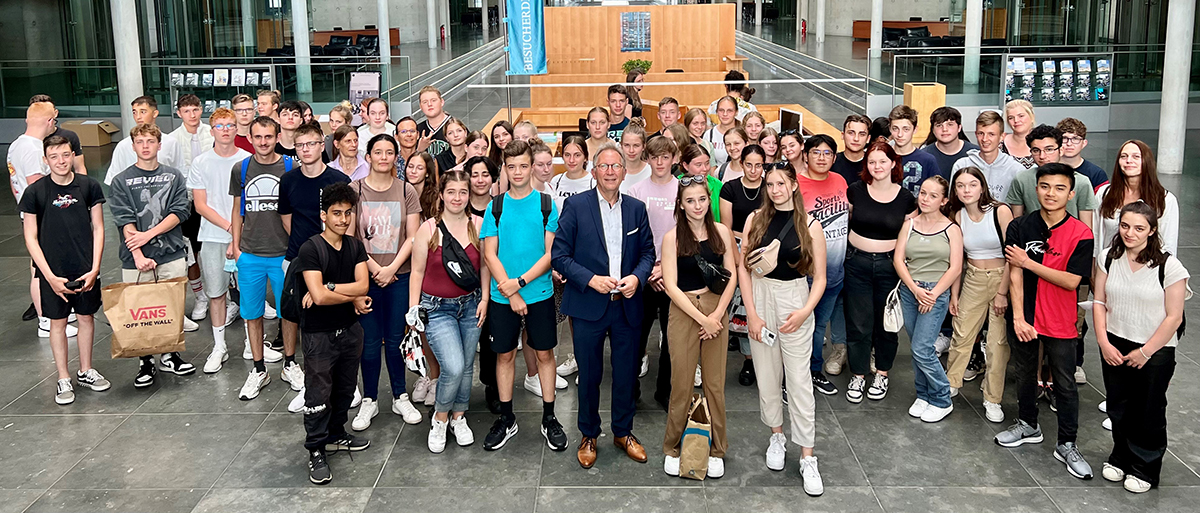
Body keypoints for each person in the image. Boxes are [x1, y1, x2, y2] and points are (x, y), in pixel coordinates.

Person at [552, 142, 656, 469]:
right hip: (588, 305)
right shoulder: (576, 207)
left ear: (625, 172)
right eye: (604, 166)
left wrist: (638, 279)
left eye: (616, 166)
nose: (610, 172)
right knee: (591, 375)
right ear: (594, 171)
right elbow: (559, 255)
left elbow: (647, 254)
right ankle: (588, 434)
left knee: (625, 374)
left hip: (626, 304)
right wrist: (590, 279)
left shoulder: (638, 209)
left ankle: (623, 432)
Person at [995, 163, 1095, 481]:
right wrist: (1019, 318)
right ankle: (1027, 425)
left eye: (1059, 188)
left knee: (1065, 384)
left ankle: (1067, 444)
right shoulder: (1020, 226)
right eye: (1045, 186)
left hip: (1061, 320)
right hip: (1025, 317)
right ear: (1036, 188)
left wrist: (1028, 262)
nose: (1051, 193)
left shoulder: (1082, 233)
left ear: (1071, 192)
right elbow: (1014, 274)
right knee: (1025, 374)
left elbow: (1071, 280)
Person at [737, 163, 826, 496]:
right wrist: (753, 315)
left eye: (780, 183)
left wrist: (804, 311)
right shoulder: (754, 220)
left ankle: (807, 455)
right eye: (769, 183)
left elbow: (820, 278)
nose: (774, 189)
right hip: (760, 296)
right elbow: (743, 269)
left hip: (794, 301)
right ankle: (777, 435)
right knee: (767, 373)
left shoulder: (810, 226)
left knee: (800, 380)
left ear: (793, 186)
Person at [1092, 201, 1190, 493]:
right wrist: (1103, 342)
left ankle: (1145, 468)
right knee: (1118, 405)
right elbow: (1099, 302)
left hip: (1154, 348)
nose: (1130, 233)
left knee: (1148, 409)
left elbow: (1175, 317)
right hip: (1115, 341)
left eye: (1138, 228)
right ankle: (1120, 457)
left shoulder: (1169, 266)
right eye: (1124, 226)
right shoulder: (1108, 257)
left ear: (1152, 230)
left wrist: (1146, 351)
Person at [481, 140, 569, 452]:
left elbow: (550, 254)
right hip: (502, 296)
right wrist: (507, 287)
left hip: (538, 293)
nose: (517, 172)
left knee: (544, 354)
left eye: (523, 166)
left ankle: (549, 416)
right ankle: (506, 417)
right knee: (504, 355)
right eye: (511, 166)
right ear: (504, 168)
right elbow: (490, 253)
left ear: (532, 167)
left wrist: (519, 283)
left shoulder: (546, 204)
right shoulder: (496, 206)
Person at [21, 134, 109, 405]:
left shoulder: (88, 186)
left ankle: (86, 370)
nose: (61, 161)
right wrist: (48, 276)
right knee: (57, 324)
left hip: (84, 268)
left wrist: (94, 268)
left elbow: (98, 228)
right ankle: (63, 378)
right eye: (54, 156)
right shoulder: (35, 192)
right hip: (52, 271)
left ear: (73, 155)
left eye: (65, 155)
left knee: (86, 318)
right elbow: (30, 237)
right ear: (46, 160)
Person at [660, 173, 737, 479]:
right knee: (681, 383)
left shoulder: (721, 232)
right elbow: (670, 285)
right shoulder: (672, 238)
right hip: (685, 312)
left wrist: (716, 315)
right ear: (680, 204)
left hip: (716, 309)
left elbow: (731, 276)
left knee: (715, 384)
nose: (697, 206)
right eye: (690, 201)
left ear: (709, 200)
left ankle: (717, 448)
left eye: (702, 199)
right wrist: (702, 318)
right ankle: (672, 446)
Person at [296, 182, 373, 485]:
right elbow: (320, 298)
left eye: (347, 213)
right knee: (318, 393)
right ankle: (316, 447)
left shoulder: (354, 246)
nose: (342, 219)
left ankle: (336, 434)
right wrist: (343, 294)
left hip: (350, 330)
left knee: (344, 389)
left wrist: (328, 288)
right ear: (323, 215)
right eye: (336, 213)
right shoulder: (310, 249)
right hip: (318, 334)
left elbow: (363, 287)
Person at [109, 123, 196, 387]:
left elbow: (181, 210)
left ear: (159, 145)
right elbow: (123, 218)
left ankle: (170, 354)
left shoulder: (173, 176)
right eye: (140, 142)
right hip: (135, 257)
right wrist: (137, 253)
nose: (145, 146)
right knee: (140, 310)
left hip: (170, 252)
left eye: (150, 141)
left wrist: (148, 235)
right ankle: (145, 359)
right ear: (133, 146)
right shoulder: (121, 180)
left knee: (171, 306)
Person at [410, 170, 489, 453]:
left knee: (467, 366)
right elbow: (417, 271)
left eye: (463, 192)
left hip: (471, 304)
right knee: (453, 366)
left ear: (470, 195)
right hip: (436, 307)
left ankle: (459, 416)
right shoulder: (428, 229)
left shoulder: (479, 226)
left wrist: (485, 299)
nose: (457, 197)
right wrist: (413, 309)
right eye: (452, 192)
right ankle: (440, 418)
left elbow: (485, 266)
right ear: (442, 195)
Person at [348, 134, 424, 430]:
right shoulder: (355, 190)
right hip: (364, 278)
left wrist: (391, 267)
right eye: (377, 152)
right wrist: (373, 268)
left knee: (394, 340)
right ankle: (369, 399)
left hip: (399, 276)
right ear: (368, 157)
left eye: (389, 152)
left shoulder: (406, 190)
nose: (383, 157)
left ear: (396, 158)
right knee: (368, 343)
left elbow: (413, 236)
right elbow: (351, 236)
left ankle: (399, 394)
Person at [278, 124, 353, 389]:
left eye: (311, 144)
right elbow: (287, 218)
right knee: (290, 311)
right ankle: (289, 362)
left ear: (322, 146)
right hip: (298, 256)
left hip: (331, 258)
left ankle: (339, 369)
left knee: (332, 311)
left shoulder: (338, 180)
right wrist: (306, 248)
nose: (305, 150)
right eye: (300, 145)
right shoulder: (289, 180)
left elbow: (346, 221)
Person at [843, 142, 917, 403]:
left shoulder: (907, 198)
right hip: (857, 264)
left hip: (890, 267)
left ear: (894, 164)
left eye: (883, 161)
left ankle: (882, 373)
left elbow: (911, 236)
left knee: (887, 324)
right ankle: (859, 374)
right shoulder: (855, 191)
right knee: (858, 322)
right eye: (872, 162)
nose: (877, 167)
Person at [229, 117, 293, 399]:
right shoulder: (240, 168)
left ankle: (290, 363)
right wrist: (237, 247)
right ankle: (258, 368)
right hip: (251, 253)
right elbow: (236, 209)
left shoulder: (290, 167)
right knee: (252, 314)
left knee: (288, 313)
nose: (263, 142)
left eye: (268, 136)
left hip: (283, 253)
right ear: (251, 138)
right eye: (258, 137)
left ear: (277, 136)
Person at [946, 167, 1013, 422]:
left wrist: (1003, 293)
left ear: (982, 187)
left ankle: (992, 397)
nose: (966, 190)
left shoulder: (1000, 211)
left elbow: (1012, 256)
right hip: (973, 278)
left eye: (972, 185)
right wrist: (955, 294)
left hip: (1000, 278)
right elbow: (958, 260)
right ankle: (951, 382)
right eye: (961, 186)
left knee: (997, 343)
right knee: (962, 332)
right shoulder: (958, 216)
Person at [894, 176, 963, 423]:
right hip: (911, 291)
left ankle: (942, 398)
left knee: (923, 349)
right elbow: (898, 260)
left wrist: (932, 295)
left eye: (933, 195)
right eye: (923, 193)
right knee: (916, 347)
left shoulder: (951, 228)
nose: (925, 199)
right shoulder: (909, 224)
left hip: (936, 292)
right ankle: (923, 395)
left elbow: (955, 267)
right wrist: (914, 289)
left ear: (943, 201)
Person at [188, 108, 250, 374]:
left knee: (249, 292)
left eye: (230, 125)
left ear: (237, 129)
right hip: (213, 237)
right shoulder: (201, 162)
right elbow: (200, 205)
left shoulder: (248, 159)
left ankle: (252, 341)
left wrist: (237, 235)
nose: (225, 129)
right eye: (220, 125)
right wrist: (229, 229)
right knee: (216, 294)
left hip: (248, 237)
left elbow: (251, 203)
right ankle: (219, 346)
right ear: (211, 130)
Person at [628, 136, 682, 409]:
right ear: (647, 159)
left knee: (672, 338)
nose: (660, 162)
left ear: (674, 159)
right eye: (654, 157)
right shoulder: (636, 191)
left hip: (672, 275)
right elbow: (632, 237)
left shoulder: (682, 190)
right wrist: (649, 270)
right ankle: (631, 391)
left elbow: (687, 234)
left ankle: (665, 390)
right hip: (643, 275)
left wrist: (665, 269)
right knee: (636, 337)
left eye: (665, 157)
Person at [796, 134, 851, 396]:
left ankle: (812, 370)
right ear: (805, 155)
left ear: (834, 158)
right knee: (807, 325)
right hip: (806, 273)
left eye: (827, 153)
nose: (821, 157)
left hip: (835, 272)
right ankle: (802, 374)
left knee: (820, 325)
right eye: (816, 152)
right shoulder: (795, 184)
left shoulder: (839, 180)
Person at [8, 101, 66, 338]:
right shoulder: (32, 150)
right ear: (49, 121)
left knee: (40, 265)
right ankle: (46, 319)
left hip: (31, 215)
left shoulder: (16, 145)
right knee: (40, 268)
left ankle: (53, 315)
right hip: (42, 217)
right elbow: (37, 186)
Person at [719, 145, 767, 381]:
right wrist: (738, 259)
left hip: (764, 250)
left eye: (759, 165)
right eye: (749, 164)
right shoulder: (731, 188)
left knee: (755, 304)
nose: (754, 170)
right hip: (735, 246)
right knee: (734, 302)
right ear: (742, 162)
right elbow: (725, 227)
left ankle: (755, 358)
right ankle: (742, 355)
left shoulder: (770, 187)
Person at [1094, 140, 1178, 260]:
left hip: (1147, 267)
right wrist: (1095, 265)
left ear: (1147, 161)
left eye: (1136, 156)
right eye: (1124, 156)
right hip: (1110, 264)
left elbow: (1168, 243)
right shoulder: (1104, 193)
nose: (1128, 160)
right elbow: (1097, 234)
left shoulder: (1165, 200)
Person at [172, 94, 215, 320]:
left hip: (213, 199)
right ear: (179, 113)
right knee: (192, 253)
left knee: (216, 248)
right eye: (186, 111)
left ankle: (222, 295)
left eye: (195, 109)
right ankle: (200, 297)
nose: (192, 115)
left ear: (201, 110)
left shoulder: (213, 133)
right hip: (186, 202)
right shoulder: (171, 139)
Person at [1005, 125, 1097, 223]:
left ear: (1061, 150)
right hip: (1032, 235)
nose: (1042, 156)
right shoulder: (1021, 179)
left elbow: (1086, 226)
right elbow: (1017, 221)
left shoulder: (1081, 182)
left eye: (1049, 149)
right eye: (1036, 150)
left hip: (1070, 236)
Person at [104, 96, 183, 186]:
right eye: (134, 112)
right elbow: (113, 180)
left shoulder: (171, 142)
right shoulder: (123, 145)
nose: (138, 117)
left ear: (155, 113)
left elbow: (179, 173)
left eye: (143, 112)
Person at [951, 110, 1024, 202]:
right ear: (976, 134)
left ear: (1002, 137)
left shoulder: (1015, 169)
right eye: (981, 133)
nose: (985, 139)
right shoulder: (961, 165)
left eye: (991, 134)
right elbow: (953, 201)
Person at [28, 95, 87, 175]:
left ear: (55, 113)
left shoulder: (70, 136)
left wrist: (83, 185)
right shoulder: (28, 142)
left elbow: (80, 168)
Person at [888, 105, 939, 195]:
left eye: (906, 129)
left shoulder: (927, 160)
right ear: (890, 129)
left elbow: (937, 192)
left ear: (915, 129)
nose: (900, 134)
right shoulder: (882, 157)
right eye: (895, 129)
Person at [1053, 118, 1108, 192]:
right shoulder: (1048, 169)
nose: (1069, 144)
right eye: (1064, 138)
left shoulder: (1097, 174)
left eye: (1075, 139)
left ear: (1084, 143)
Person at [919, 106, 978, 177]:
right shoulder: (924, 156)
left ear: (959, 128)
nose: (944, 129)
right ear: (933, 130)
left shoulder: (975, 153)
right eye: (939, 125)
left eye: (950, 124)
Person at [549, 135, 596, 211]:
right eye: (567, 155)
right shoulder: (556, 181)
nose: (571, 160)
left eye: (577, 155)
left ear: (585, 158)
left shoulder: (594, 183)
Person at [679, 144, 722, 222]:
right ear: (685, 165)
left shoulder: (717, 185)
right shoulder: (677, 185)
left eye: (707, 163)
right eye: (698, 165)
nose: (705, 169)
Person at [831, 114, 871, 187]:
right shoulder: (831, 163)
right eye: (851, 133)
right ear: (842, 135)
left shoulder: (874, 164)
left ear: (868, 138)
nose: (856, 138)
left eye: (862, 134)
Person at [416, 86, 453, 156]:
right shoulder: (417, 130)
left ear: (442, 102)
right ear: (421, 106)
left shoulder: (456, 127)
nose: (429, 104)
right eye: (425, 102)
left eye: (433, 100)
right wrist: (419, 149)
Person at [406, 152, 441, 223]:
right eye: (410, 166)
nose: (413, 171)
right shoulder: (400, 193)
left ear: (427, 173)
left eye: (420, 168)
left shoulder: (436, 198)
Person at [1001, 100, 1037, 169]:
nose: (1016, 120)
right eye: (1011, 118)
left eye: (1021, 116)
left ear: (1032, 117)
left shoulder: (1044, 143)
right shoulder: (999, 146)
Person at [703, 97, 739, 166]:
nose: (725, 114)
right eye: (721, 110)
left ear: (736, 112)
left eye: (729, 111)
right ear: (716, 112)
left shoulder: (743, 134)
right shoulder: (709, 135)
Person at [619, 124, 651, 193]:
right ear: (621, 146)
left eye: (636, 145)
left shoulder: (651, 172)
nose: (631, 150)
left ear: (643, 146)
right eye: (627, 145)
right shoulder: (613, 171)